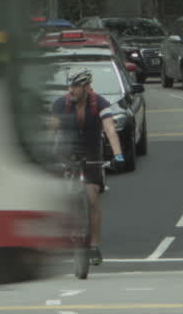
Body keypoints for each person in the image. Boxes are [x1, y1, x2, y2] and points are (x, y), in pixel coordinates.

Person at [47, 68, 125, 266]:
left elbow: (109, 130)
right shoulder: (60, 104)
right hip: (67, 153)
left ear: (86, 87)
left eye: (75, 86)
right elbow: (52, 130)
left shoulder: (100, 103)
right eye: (70, 86)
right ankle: (71, 230)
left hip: (91, 155)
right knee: (66, 195)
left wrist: (118, 154)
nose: (71, 90)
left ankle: (94, 246)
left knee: (92, 199)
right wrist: (46, 152)